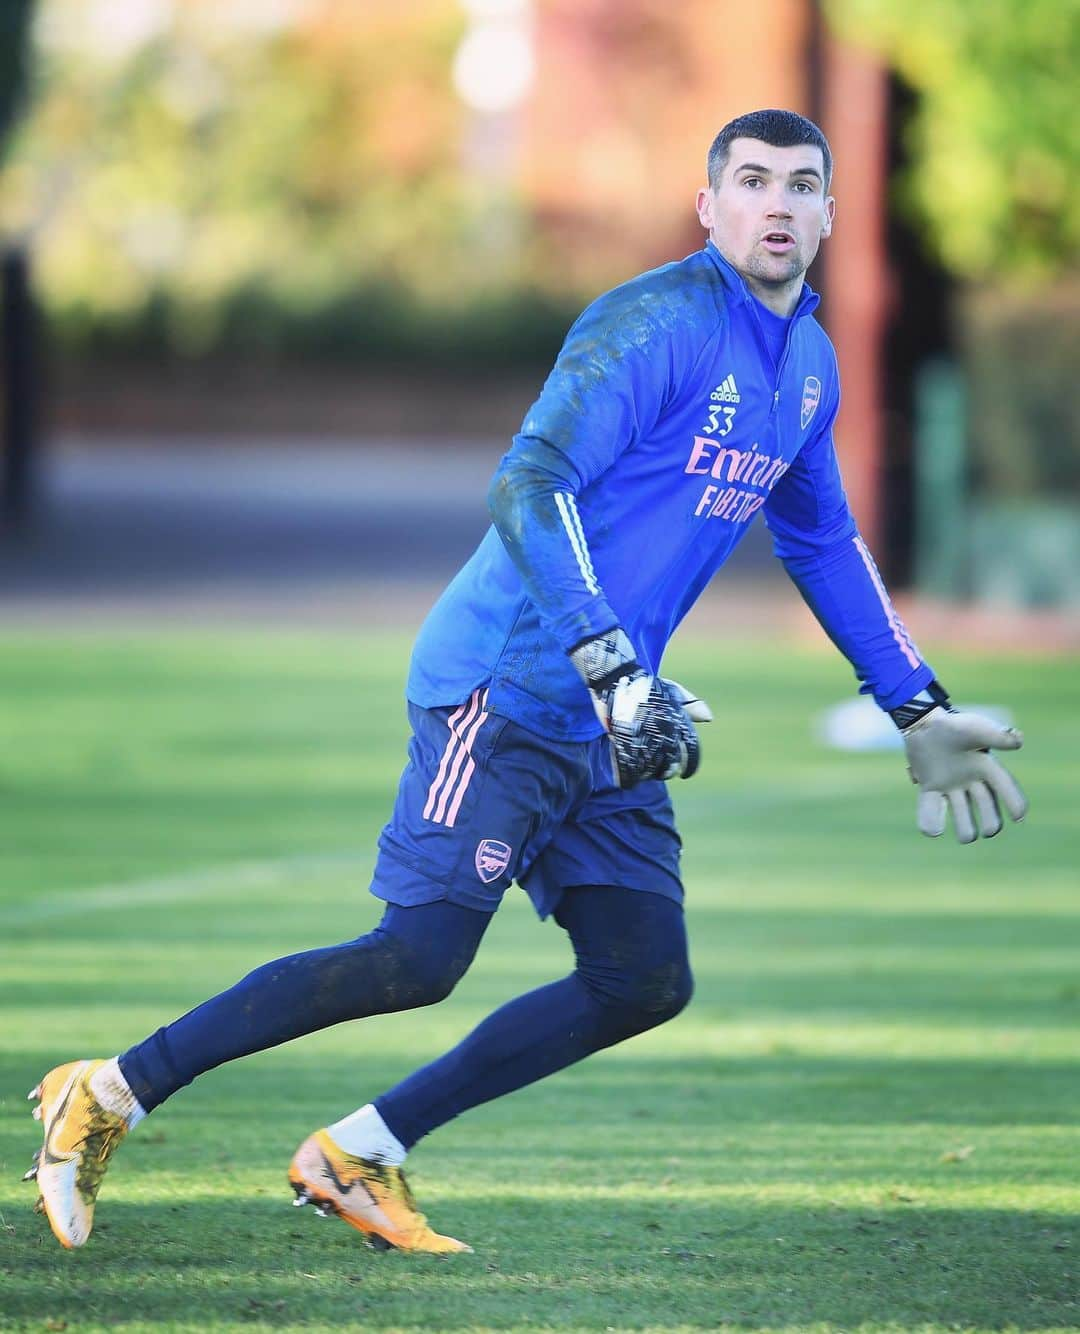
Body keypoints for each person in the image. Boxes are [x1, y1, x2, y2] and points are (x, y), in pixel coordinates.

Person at [25, 109, 1027, 1254]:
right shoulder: (652, 322)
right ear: (711, 207)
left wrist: (914, 700)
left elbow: (823, 542)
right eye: (752, 182)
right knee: (415, 958)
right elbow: (530, 482)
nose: (779, 205)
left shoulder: (809, 363)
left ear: (832, 214)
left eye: (804, 185)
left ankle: (361, 1151)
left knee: (642, 975)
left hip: (615, 715)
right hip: (502, 688)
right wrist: (608, 664)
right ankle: (106, 1091)